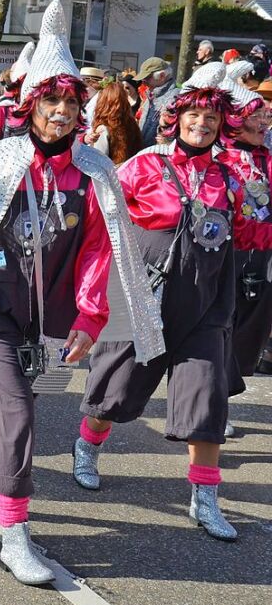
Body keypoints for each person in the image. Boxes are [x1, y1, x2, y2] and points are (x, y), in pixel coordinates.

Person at [0, 0, 163, 585]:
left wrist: (92, 317)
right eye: (51, 101)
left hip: (46, 313)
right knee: (17, 405)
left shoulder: (96, 170)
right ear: (31, 105)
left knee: (6, 399)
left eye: (71, 103)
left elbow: (101, 249)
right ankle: (15, 535)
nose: (61, 112)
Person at [73, 62, 272, 542]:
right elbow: (101, 223)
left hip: (207, 304)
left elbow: (250, 235)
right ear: (177, 117)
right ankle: (88, 444)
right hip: (145, 297)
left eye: (210, 120)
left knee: (206, 399)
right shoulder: (143, 165)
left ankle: (204, 499)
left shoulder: (230, 177)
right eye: (193, 117)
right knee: (116, 390)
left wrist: (259, 206)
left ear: (221, 124)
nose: (201, 126)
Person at [215, 76, 272, 437]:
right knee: (218, 329)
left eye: (265, 116)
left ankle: (218, 399)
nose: (264, 123)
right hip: (223, 254)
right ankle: (211, 405)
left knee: (248, 332)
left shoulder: (267, 157)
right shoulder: (218, 157)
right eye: (256, 117)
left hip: (263, 255)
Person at [84, 81, 142, 165]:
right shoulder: (132, 123)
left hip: (112, 175)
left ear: (103, 101)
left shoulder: (103, 128)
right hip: (129, 173)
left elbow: (98, 165)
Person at [134, 57, 177, 147]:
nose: (143, 82)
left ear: (162, 76)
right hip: (144, 153)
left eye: (147, 78)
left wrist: (169, 141)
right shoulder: (151, 95)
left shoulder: (175, 97)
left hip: (160, 155)